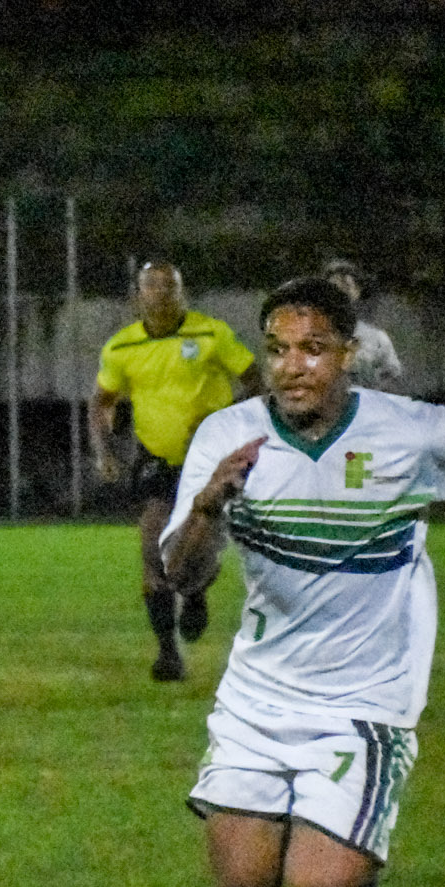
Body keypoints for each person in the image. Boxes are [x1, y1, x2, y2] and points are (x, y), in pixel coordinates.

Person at [162, 275, 445, 887]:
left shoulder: (408, 436)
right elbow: (183, 575)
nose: (292, 367)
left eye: (313, 349)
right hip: (259, 697)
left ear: (349, 355)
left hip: (364, 700)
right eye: (278, 350)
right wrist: (208, 509)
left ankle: (349, 883)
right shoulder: (227, 439)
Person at [90, 260, 261, 682]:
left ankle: (197, 590)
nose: (162, 294)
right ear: (138, 296)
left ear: (183, 293)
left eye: (171, 287)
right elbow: (102, 402)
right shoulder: (121, 348)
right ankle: (168, 654)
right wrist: (105, 451)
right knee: (153, 547)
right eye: (152, 286)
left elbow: (255, 379)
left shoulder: (210, 334)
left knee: (195, 550)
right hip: (158, 461)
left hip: (211, 463)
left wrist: (238, 429)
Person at [321, 259, 403, 391]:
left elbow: (392, 374)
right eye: (335, 288)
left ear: (357, 291)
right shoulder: (311, 334)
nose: (341, 293)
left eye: (347, 286)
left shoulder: (377, 337)